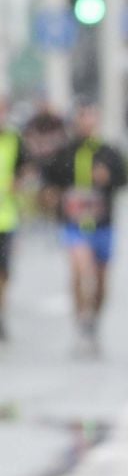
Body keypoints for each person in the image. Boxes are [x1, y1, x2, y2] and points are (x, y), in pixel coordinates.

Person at [41, 103, 128, 354]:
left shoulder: (108, 152)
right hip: (74, 224)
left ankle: (94, 320)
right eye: (83, 118)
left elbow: (125, 179)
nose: (88, 123)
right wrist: (50, 197)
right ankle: (81, 320)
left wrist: (107, 178)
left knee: (100, 279)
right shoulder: (66, 152)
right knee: (80, 269)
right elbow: (49, 181)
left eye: (92, 118)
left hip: (102, 224)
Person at [0, 101, 29, 341]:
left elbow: (27, 172)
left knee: (3, 273)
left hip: (6, 218)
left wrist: (17, 184)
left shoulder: (14, 140)